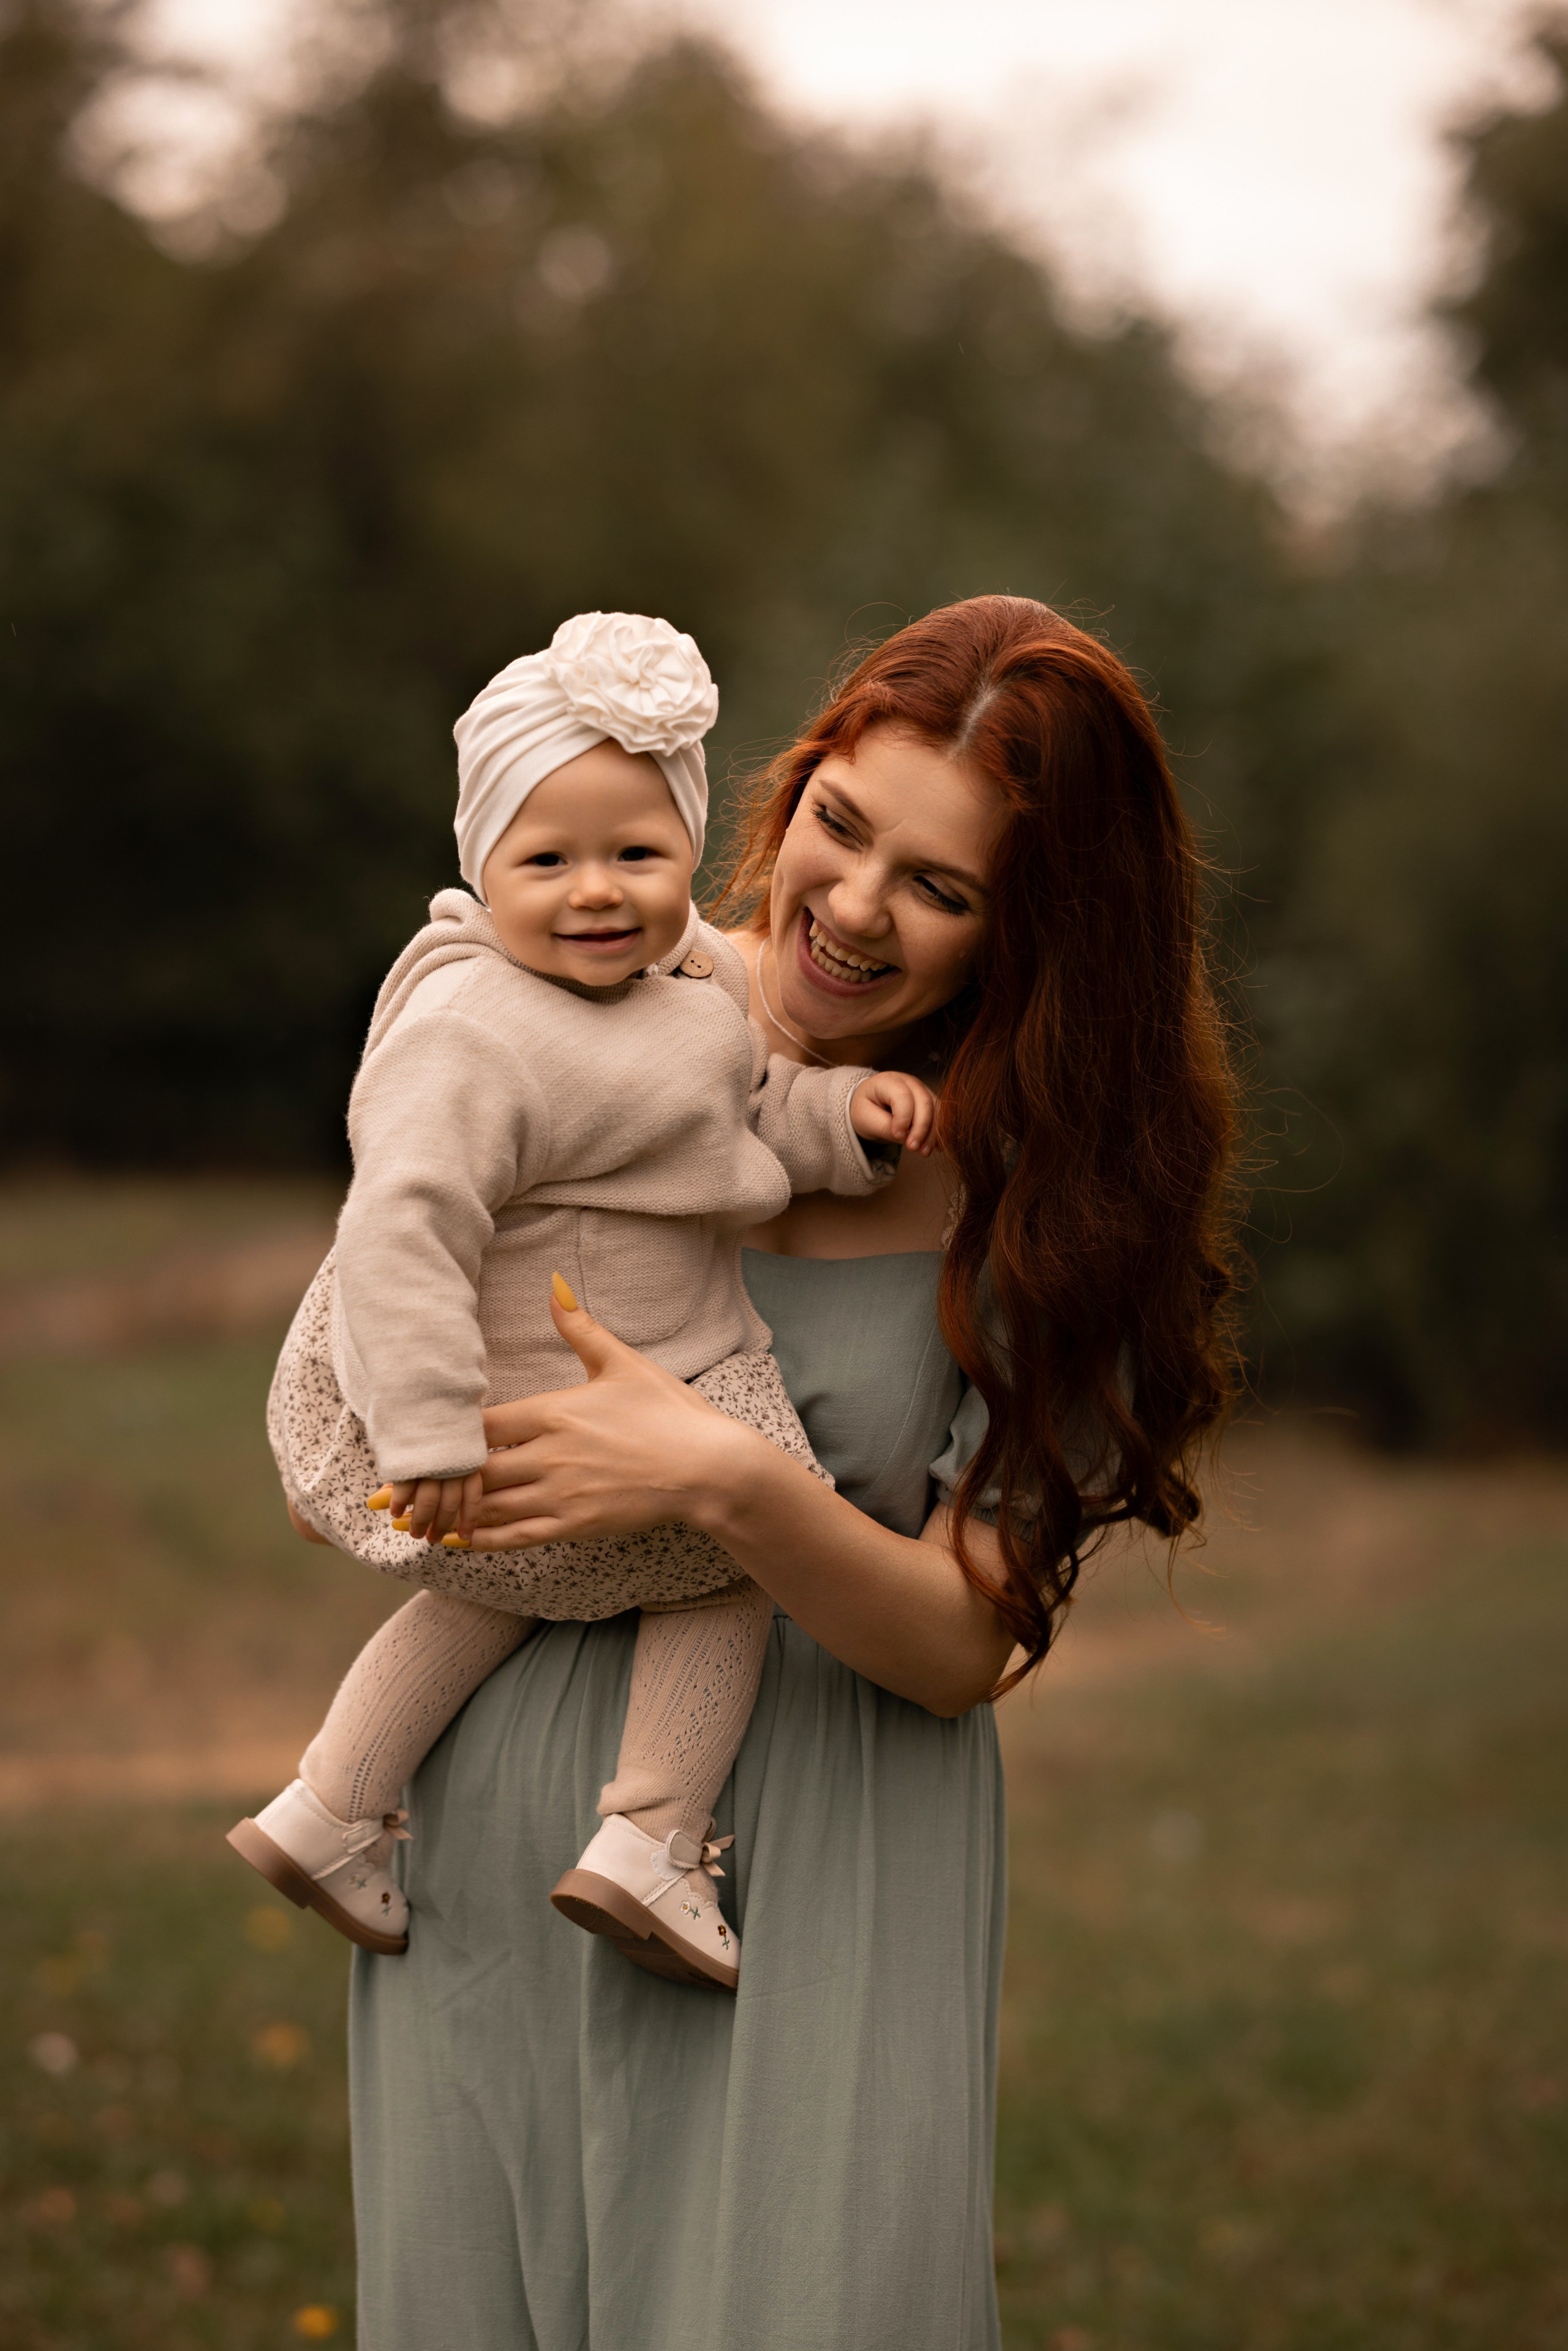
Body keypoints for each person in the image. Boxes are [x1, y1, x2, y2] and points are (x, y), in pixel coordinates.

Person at [345, 595, 1241, 2351]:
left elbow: (968, 1641)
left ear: (1030, 932)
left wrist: (724, 1478)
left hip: (820, 1862)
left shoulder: (1045, 1194)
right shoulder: (585, 993)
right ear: (791, 777)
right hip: (493, 1842)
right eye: (843, 822)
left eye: (942, 886)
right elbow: (399, 1317)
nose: (848, 906)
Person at [230, 611, 935, 1991]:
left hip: (543, 1448)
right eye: (545, 860)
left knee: (493, 1593)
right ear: (478, 866)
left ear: (689, 853)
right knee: (738, 1553)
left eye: (637, 853)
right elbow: (400, 1225)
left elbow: (736, 1118)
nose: (594, 891)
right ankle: (654, 1837)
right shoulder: (469, 1028)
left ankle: (329, 1802)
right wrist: (428, 1429)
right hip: (517, 1412)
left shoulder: (687, 996)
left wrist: (844, 1115)